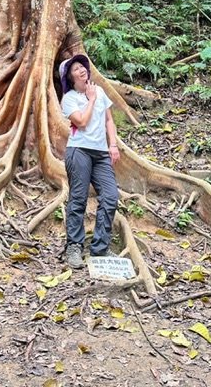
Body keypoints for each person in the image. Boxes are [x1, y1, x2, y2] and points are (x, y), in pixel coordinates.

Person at [59, 54, 120, 269]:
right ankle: (74, 246)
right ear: (70, 76)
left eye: (81, 66)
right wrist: (91, 98)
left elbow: (109, 120)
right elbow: (82, 122)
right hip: (79, 151)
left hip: (101, 153)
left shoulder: (100, 91)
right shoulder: (69, 99)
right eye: (75, 69)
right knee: (78, 198)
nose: (81, 70)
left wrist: (113, 144)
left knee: (111, 197)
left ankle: (100, 247)